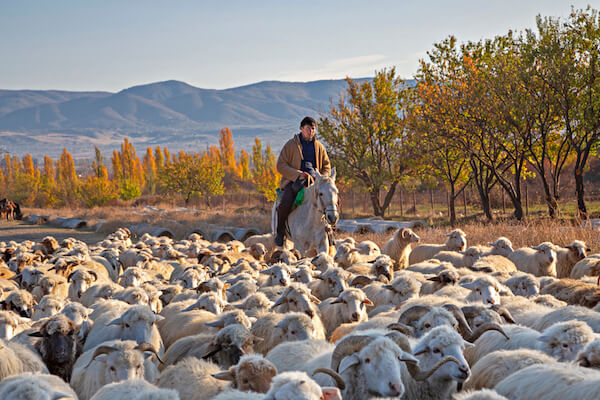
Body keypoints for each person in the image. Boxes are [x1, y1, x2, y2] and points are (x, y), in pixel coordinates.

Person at [274, 116, 331, 246]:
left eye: (313, 129)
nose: (311, 132)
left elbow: (326, 166)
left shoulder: (319, 147)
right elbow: (280, 165)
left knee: (333, 200)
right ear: (301, 129)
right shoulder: (291, 145)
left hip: (316, 181)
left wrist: (323, 178)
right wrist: (298, 174)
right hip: (296, 181)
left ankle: (330, 231)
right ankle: (280, 232)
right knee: (285, 203)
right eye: (308, 129)